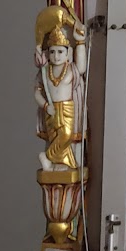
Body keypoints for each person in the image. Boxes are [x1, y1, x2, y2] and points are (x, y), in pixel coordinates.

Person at [35, 22, 87, 171]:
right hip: (51, 109)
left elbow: (82, 68)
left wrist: (80, 41)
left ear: (68, 53)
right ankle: (58, 164)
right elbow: (37, 92)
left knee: (67, 135)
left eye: (60, 52)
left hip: (68, 108)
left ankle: (48, 157)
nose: (56, 56)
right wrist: (45, 106)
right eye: (52, 52)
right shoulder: (45, 72)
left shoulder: (70, 69)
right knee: (54, 137)